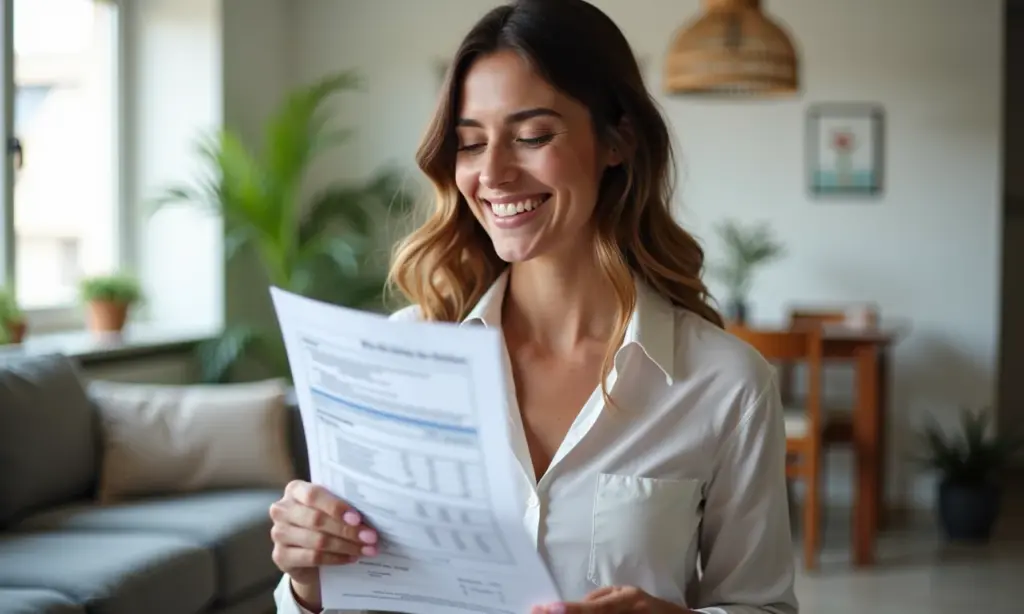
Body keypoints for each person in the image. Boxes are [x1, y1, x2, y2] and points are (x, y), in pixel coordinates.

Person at [271, 0, 798, 612]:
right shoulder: (403, 355)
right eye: (469, 144)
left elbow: (762, 605)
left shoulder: (725, 384)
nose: (492, 173)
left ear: (617, 139)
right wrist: (309, 582)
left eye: (532, 136)